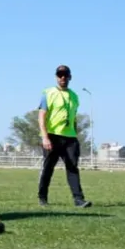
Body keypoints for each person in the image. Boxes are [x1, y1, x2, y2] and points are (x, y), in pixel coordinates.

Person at [37, 65, 92, 208]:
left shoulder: (74, 96)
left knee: (72, 168)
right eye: (60, 75)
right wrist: (45, 137)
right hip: (53, 136)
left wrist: (75, 135)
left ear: (70, 77)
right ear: (56, 77)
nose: (63, 77)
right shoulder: (48, 93)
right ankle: (42, 197)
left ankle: (79, 200)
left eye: (65, 75)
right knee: (48, 168)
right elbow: (41, 116)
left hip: (70, 138)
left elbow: (74, 118)